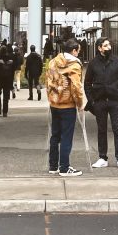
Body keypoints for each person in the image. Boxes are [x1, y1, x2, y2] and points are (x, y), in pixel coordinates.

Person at [85, 37, 118, 167]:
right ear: (99, 48)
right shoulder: (93, 63)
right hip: (99, 102)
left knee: (117, 129)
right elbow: (87, 83)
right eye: (105, 45)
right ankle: (102, 158)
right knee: (101, 130)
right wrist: (91, 101)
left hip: (115, 101)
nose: (109, 47)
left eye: (109, 45)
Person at [46, 37, 85, 177]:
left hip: (54, 103)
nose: (79, 53)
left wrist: (51, 99)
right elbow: (76, 87)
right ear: (74, 50)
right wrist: (80, 103)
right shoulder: (75, 65)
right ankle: (64, 167)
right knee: (66, 136)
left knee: (55, 135)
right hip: (68, 105)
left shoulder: (53, 62)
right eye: (78, 51)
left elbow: (48, 81)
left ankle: (53, 165)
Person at [0, 41, 17, 117]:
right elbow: (13, 71)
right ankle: (5, 112)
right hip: (7, 80)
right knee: (6, 96)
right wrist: (11, 80)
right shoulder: (10, 59)